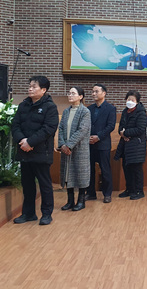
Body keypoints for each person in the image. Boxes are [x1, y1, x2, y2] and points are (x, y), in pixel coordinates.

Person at [11, 76, 59, 226]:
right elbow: (15, 125)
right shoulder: (23, 105)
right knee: (27, 184)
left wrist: (30, 142)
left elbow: (48, 129)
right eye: (29, 86)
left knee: (45, 185)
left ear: (43, 90)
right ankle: (28, 213)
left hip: (41, 152)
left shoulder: (50, 107)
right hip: (24, 151)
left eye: (34, 87)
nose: (30, 89)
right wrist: (22, 141)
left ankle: (46, 214)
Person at [57, 86, 91, 212]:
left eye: (73, 93)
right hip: (66, 149)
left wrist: (69, 145)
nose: (70, 95)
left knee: (81, 175)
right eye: (69, 93)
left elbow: (82, 130)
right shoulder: (66, 111)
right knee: (67, 174)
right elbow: (61, 128)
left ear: (80, 97)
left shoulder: (85, 111)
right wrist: (62, 144)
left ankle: (81, 201)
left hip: (79, 149)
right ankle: (70, 201)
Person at [114, 90, 147, 200]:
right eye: (128, 99)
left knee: (136, 169)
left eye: (132, 100)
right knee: (126, 168)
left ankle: (139, 191)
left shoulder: (141, 113)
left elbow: (140, 129)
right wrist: (122, 134)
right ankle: (129, 189)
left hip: (137, 145)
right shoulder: (125, 112)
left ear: (137, 101)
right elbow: (120, 127)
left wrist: (126, 133)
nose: (130, 101)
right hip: (125, 144)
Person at [87, 84, 116, 204]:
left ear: (104, 93)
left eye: (96, 91)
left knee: (105, 170)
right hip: (90, 143)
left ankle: (107, 194)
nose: (93, 94)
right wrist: (89, 137)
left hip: (103, 144)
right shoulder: (89, 108)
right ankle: (90, 193)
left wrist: (98, 137)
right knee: (90, 170)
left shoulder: (110, 108)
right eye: (92, 91)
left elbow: (111, 126)